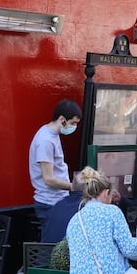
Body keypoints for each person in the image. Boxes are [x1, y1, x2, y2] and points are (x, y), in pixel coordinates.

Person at [29, 99, 82, 236]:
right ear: (62, 119)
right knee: (52, 244)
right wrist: (74, 187)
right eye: (73, 123)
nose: (74, 127)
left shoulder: (51, 135)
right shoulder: (45, 141)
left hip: (55, 200)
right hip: (50, 202)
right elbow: (49, 179)